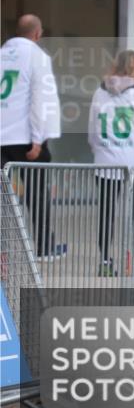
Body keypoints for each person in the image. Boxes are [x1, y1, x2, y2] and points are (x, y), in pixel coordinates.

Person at [89, 50, 134, 277]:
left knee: (106, 214)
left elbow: (92, 131)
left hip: (105, 163)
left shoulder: (99, 92)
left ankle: (105, 261)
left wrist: (99, 152)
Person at [1, 14, 62, 260]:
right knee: (37, 193)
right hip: (25, 138)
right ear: (38, 34)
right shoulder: (38, 57)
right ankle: (44, 248)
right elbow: (40, 99)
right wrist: (38, 139)